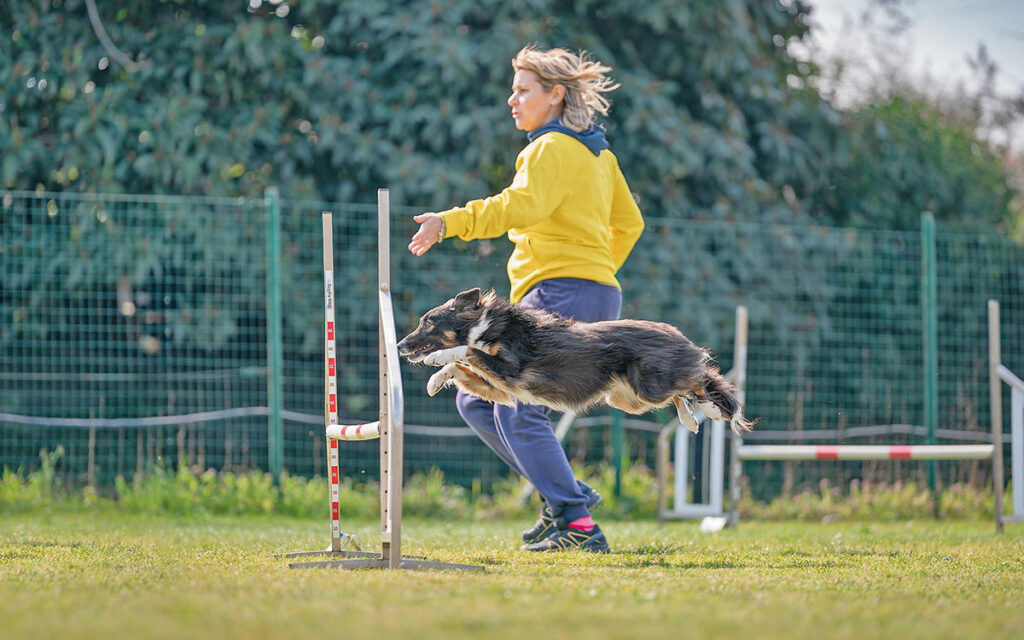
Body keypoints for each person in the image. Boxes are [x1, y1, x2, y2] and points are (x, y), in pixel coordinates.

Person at [408, 45, 644, 553]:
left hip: (562, 292)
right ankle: (563, 496)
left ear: (555, 94)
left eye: (522, 90)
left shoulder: (549, 149)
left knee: (520, 406)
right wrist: (597, 267)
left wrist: (450, 221)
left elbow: (520, 205)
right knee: (475, 397)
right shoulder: (599, 153)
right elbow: (630, 224)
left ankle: (577, 524)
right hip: (593, 290)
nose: (511, 100)